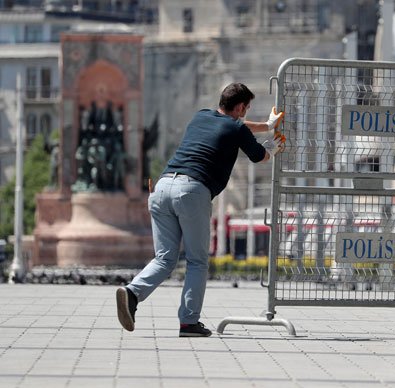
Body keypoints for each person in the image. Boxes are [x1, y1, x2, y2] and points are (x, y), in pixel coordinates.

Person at [116, 83, 285, 337]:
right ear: (240, 107)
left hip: (162, 187)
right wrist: (273, 147)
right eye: (246, 109)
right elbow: (258, 154)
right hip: (192, 191)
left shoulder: (202, 116)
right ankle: (189, 322)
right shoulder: (237, 127)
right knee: (197, 261)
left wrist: (266, 126)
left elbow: (237, 127)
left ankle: (132, 292)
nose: (245, 114)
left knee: (164, 258)